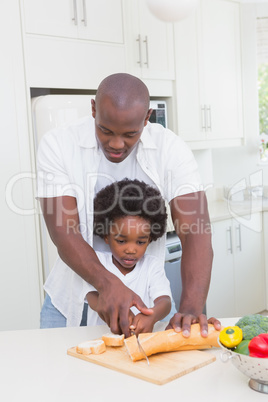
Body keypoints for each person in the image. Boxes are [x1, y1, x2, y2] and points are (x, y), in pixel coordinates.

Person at [37, 72, 221, 337]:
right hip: (70, 301)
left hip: (145, 306)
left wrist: (191, 308)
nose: (116, 144)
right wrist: (107, 284)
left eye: (130, 134)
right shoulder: (58, 145)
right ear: (93, 109)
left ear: (146, 118)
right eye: (105, 130)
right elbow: (64, 232)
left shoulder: (170, 149)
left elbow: (196, 232)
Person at [85, 178, 172, 333]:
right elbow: (90, 296)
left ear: (150, 239)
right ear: (106, 236)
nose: (131, 250)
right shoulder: (97, 263)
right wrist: (117, 312)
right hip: (101, 338)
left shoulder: (151, 266)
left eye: (140, 242)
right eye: (121, 241)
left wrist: (151, 316)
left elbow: (164, 301)